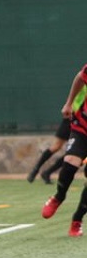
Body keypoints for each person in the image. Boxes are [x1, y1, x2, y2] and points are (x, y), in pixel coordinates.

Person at [41, 65, 87, 237]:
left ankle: (77, 221)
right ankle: (58, 197)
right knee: (70, 162)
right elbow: (80, 77)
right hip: (82, 126)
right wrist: (69, 103)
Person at [27, 86, 87, 184]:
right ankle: (35, 169)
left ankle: (48, 172)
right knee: (56, 146)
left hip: (83, 122)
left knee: (74, 153)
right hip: (74, 117)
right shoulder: (83, 80)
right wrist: (69, 106)